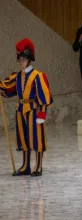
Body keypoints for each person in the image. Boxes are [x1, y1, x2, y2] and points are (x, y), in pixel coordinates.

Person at [0, 38, 53, 177]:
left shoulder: (38, 76)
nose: (20, 61)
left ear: (29, 59)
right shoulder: (17, 76)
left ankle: (38, 165)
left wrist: (42, 115)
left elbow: (44, 97)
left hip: (34, 111)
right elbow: (7, 87)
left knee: (36, 139)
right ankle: (25, 166)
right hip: (21, 110)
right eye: (19, 59)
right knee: (23, 139)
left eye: (23, 59)